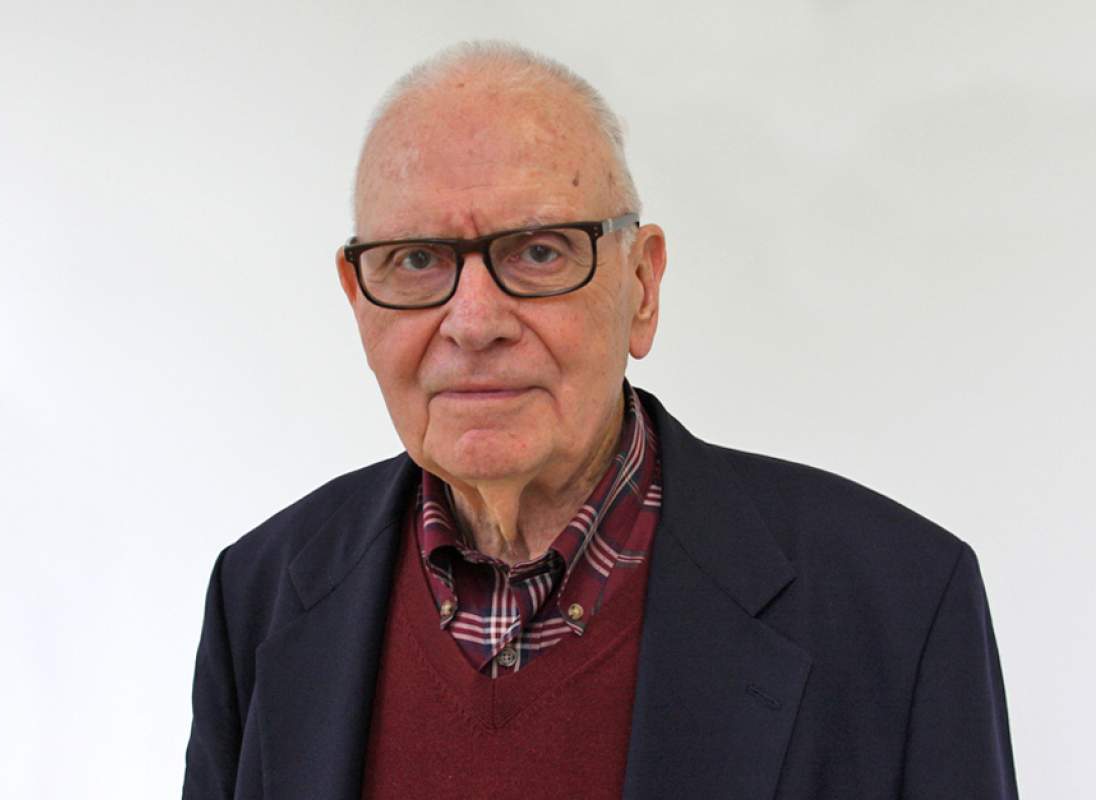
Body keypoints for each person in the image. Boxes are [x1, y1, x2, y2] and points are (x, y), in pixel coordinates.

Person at [182, 42, 1017, 799]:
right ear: (358, 301)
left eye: (539, 251)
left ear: (643, 287)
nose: (475, 322)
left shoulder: (899, 606)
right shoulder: (258, 598)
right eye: (416, 260)